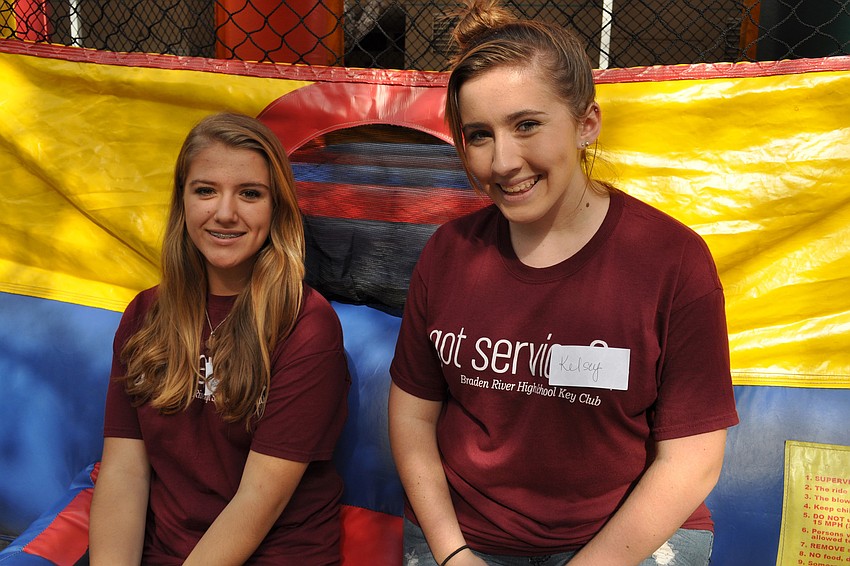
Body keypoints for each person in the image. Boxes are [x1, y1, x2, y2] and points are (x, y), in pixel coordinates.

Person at [388, 1, 739, 565]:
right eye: (479, 135)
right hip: (467, 535)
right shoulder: (448, 254)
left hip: (622, 536)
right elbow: (412, 416)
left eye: (527, 125)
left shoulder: (671, 259)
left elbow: (692, 458)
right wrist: (451, 554)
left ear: (585, 122)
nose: (503, 161)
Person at [89, 112, 350, 565]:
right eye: (205, 190)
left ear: (277, 209)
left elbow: (257, 501)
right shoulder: (145, 314)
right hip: (167, 551)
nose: (225, 213)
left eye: (250, 194)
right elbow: (125, 472)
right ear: (183, 202)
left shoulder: (306, 325)